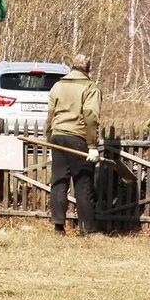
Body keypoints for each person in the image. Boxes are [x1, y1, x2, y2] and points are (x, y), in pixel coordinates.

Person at [44, 53, 102, 235]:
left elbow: (50, 114)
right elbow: (91, 117)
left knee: (59, 181)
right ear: (88, 68)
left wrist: (49, 137)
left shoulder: (58, 85)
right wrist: (92, 145)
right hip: (77, 137)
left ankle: (58, 226)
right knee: (83, 182)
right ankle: (88, 229)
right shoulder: (90, 87)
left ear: (73, 66)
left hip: (58, 135)